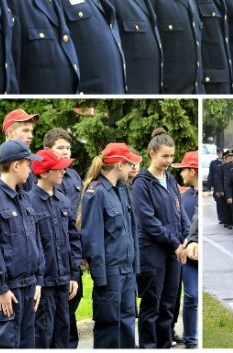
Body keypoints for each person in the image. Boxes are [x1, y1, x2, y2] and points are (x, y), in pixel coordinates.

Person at [0, 140, 44, 348]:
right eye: (28, 163)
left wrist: (38, 280)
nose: (31, 169)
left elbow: (36, 240)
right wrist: (1, 288)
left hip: (29, 287)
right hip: (9, 290)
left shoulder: (24, 198)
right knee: (6, 345)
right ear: (16, 165)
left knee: (27, 345)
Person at [131, 129, 190, 348]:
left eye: (171, 156)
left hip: (173, 251)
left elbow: (180, 213)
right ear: (152, 153)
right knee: (152, 304)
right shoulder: (141, 183)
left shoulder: (171, 180)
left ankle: (165, 343)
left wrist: (185, 240)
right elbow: (148, 221)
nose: (169, 161)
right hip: (152, 250)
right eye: (165, 156)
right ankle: (148, 346)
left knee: (168, 303)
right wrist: (174, 242)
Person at [79, 142, 140, 348]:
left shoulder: (122, 189)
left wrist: (134, 268)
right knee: (110, 328)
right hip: (110, 273)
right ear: (119, 165)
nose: (133, 168)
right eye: (130, 164)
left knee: (127, 325)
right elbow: (92, 239)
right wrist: (101, 279)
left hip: (126, 271)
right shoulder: (96, 193)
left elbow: (131, 233)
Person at [26, 149, 80, 348]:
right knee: (42, 334)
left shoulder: (63, 200)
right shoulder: (28, 202)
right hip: (44, 284)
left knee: (62, 333)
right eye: (58, 169)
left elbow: (73, 240)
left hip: (63, 281)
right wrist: (37, 281)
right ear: (43, 173)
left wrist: (74, 275)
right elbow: (31, 245)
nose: (63, 172)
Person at [173, 150, 199, 349]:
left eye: (183, 169)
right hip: (188, 254)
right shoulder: (183, 195)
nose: (181, 173)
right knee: (191, 295)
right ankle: (190, 338)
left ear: (192, 171)